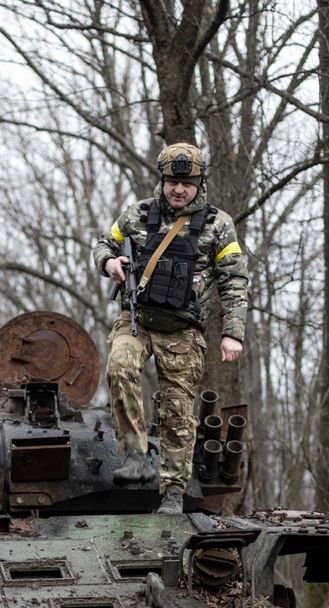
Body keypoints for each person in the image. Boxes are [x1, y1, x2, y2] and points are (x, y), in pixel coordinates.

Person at [93, 142, 249, 513]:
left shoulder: (218, 225)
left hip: (183, 331)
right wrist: (109, 263)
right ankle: (134, 454)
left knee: (178, 410)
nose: (179, 190)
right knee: (120, 366)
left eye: (187, 184)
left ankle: (174, 490)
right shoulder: (138, 214)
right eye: (172, 182)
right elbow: (104, 243)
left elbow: (234, 281)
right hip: (138, 319)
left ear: (199, 184)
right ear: (162, 181)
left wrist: (232, 332)